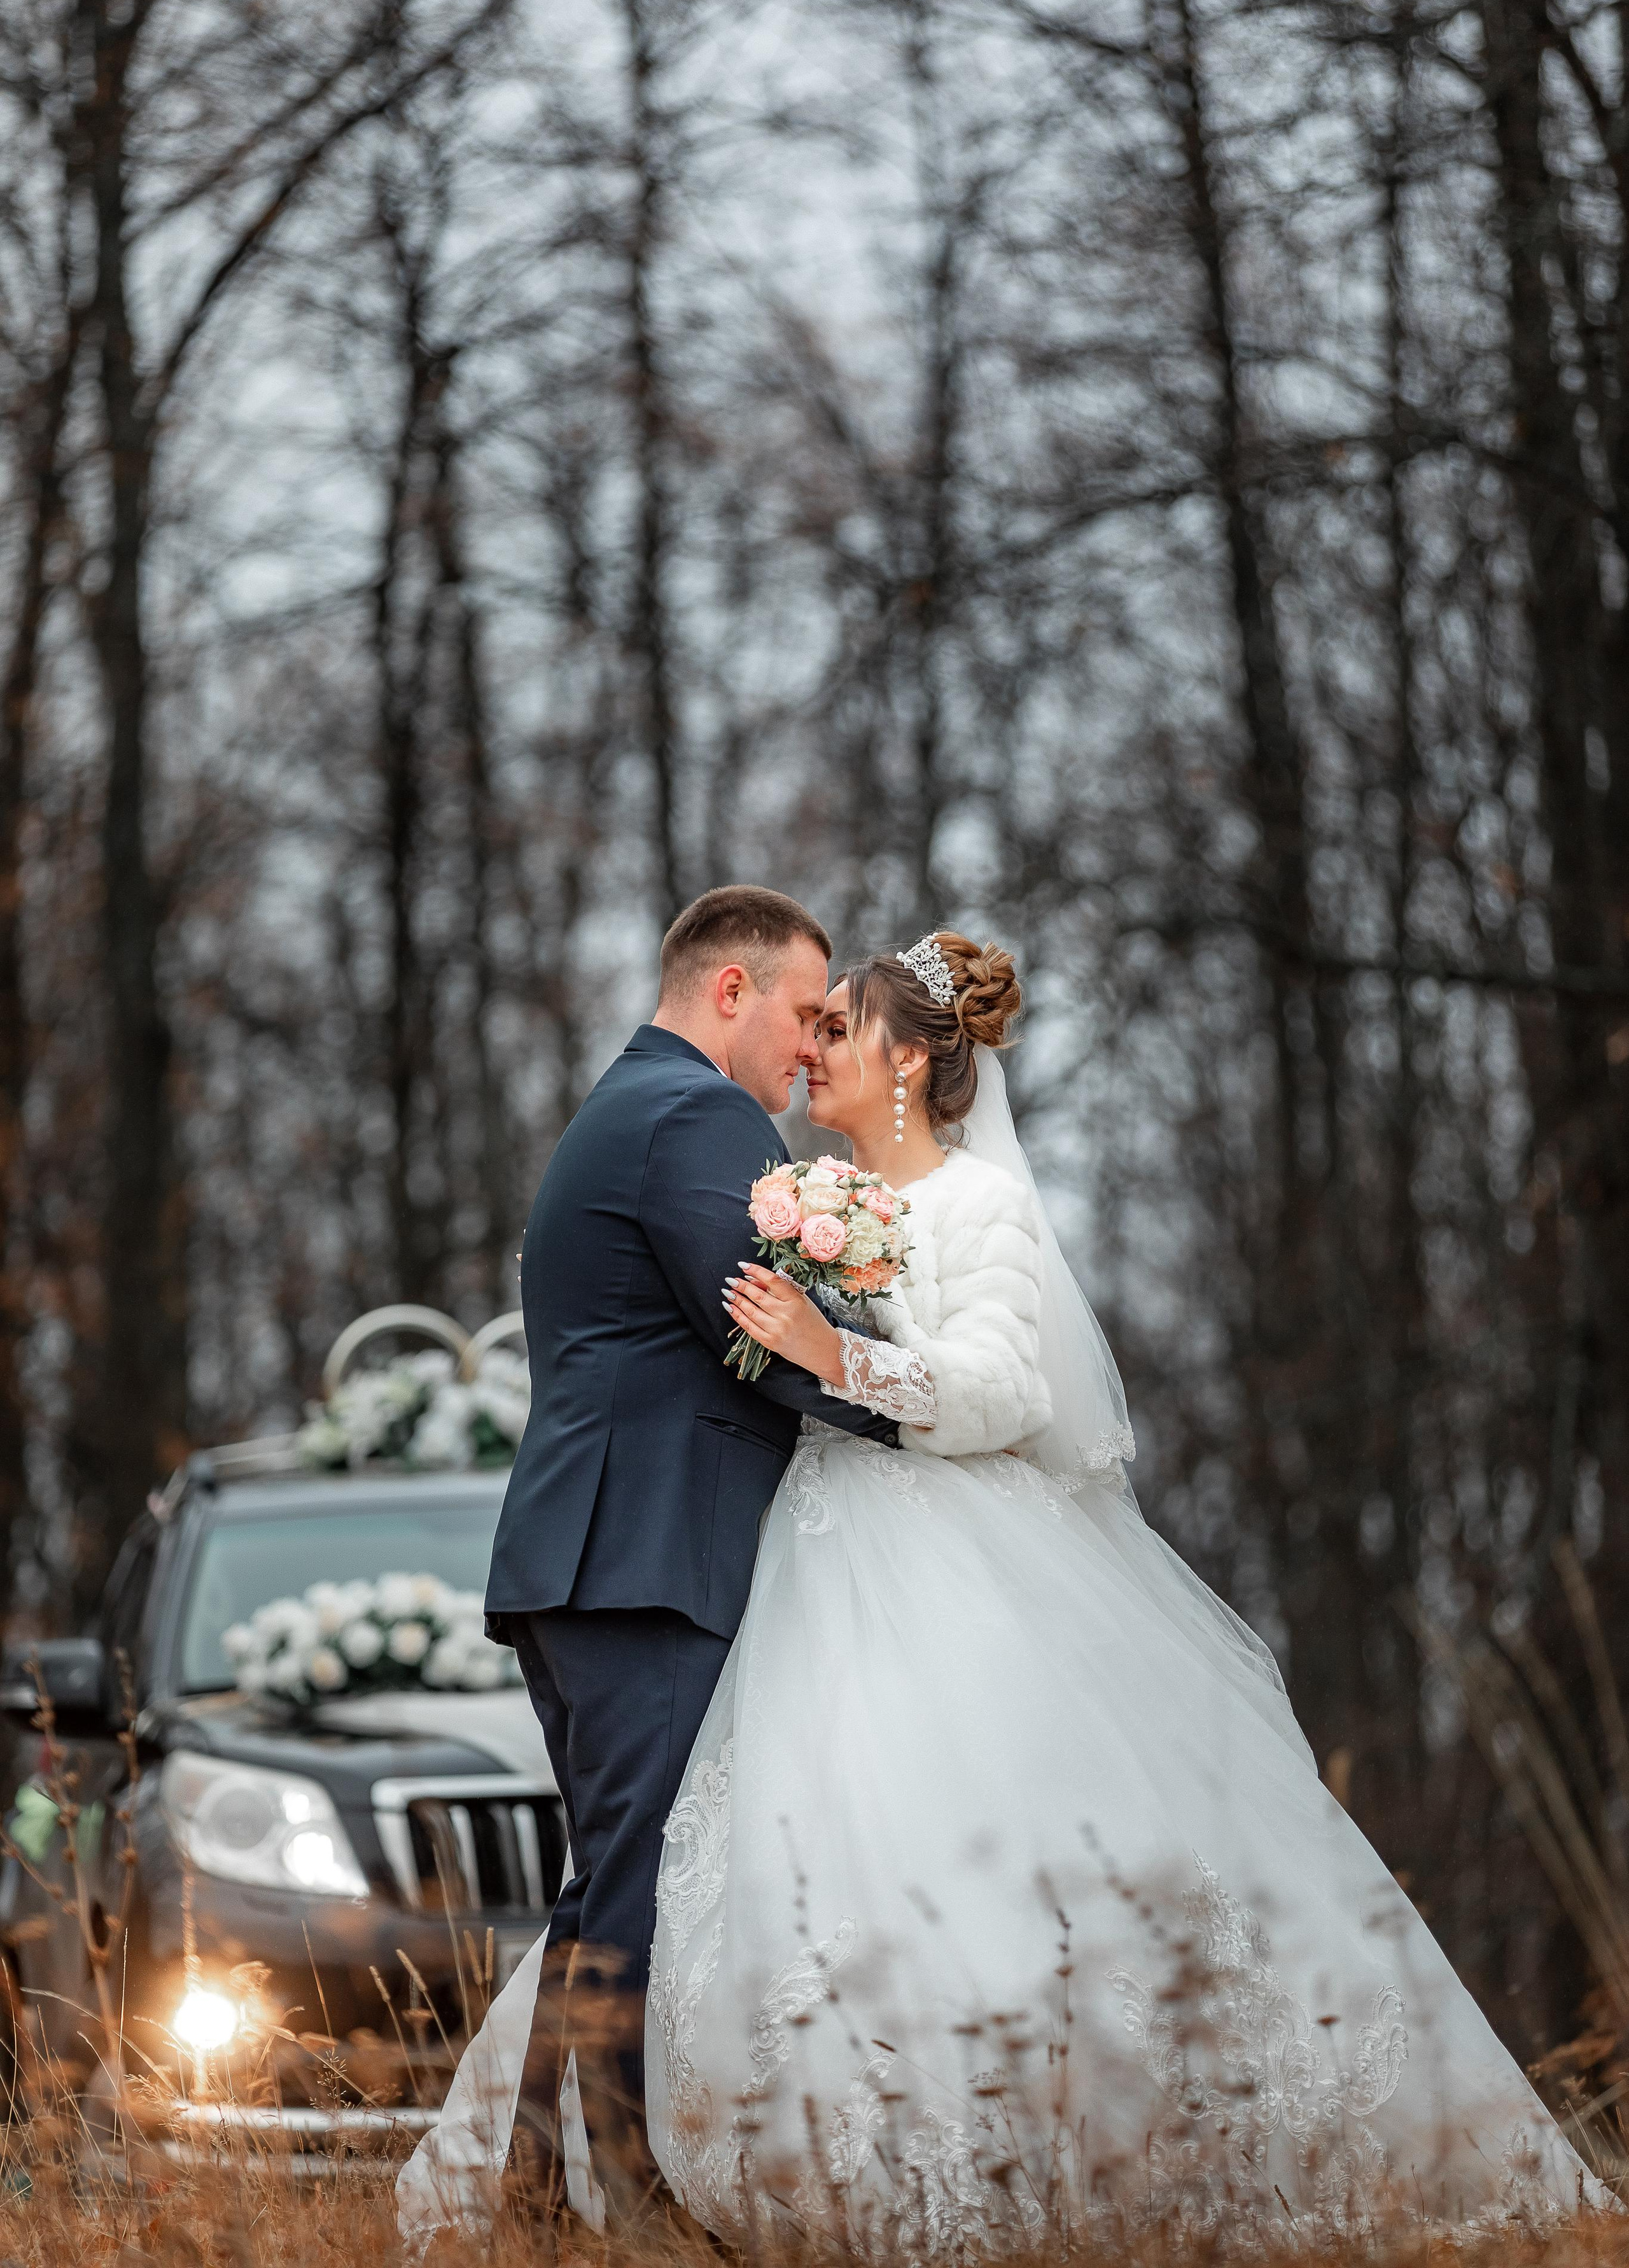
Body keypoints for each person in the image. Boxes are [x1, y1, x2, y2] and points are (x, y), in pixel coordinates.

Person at [643, 932, 1606, 2239]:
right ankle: (874, 2177)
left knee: (992, 1848)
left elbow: (1000, 1394)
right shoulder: (814, 1192)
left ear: (913, 1059)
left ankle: (1094, 2166)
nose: (810, 1050)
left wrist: (833, 1354)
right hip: (819, 1563)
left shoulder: (980, 1209)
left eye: (840, 1030)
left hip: (951, 1567)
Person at [452, 888, 900, 2218]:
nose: (813, 1050)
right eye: (805, 1015)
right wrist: (912, 1407)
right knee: (637, 1878)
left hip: (600, 1555)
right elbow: (754, 1331)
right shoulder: (696, 1113)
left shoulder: (629, 1103)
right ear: (730, 992)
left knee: (612, 1877)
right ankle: (630, 2195)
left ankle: (541, 2191)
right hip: (637, 1559)